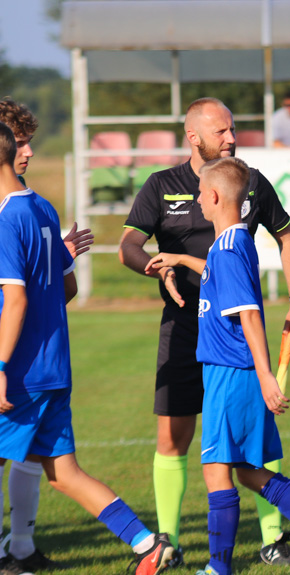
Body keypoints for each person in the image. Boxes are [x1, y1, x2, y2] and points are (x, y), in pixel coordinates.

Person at [118, 97, 290, 567]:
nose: (231, 138)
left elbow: (285, 235)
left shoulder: (248, 181)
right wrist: (154, 270)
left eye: (233, 129)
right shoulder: (162, 185)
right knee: (173, 437)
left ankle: (272, 538)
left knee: (252, 440)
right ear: (193, 136)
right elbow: (127, 246)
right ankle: (168, 541)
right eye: (220, 131)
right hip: (184, 330)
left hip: (240, 337)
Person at [144, 157, 290, 575]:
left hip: (233, 373)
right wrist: (181, 260)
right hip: (229, 371)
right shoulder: (231, 244)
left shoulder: (229, 247)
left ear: (215, 196)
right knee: (247, 471)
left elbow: (250, 315)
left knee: (216, 470)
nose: (198, 199)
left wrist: (265, 377)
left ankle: (218, 568)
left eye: (201, 193)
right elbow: (217, 276)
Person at [0, 121, 175, 575]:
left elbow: (16, 299)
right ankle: (146, 544)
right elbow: (61, 292)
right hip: (54, 367)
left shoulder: (5, 218)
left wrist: (0, 365)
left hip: (20, 373)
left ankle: (14, 552)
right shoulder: (41, 208)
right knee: (64, 472)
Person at [0, 98, 93, 574]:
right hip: (21, 355)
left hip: (22, 357)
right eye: (19, 141)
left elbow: (58, 293)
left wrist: (57, 261)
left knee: (29, 457)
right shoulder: (14, 209)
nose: (29, 151)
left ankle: (17, 549)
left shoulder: (28, 207)